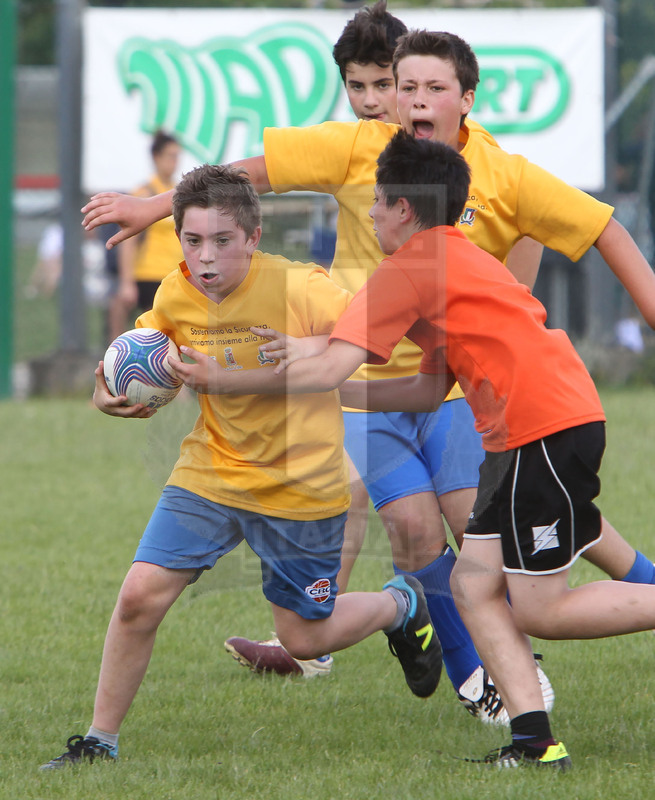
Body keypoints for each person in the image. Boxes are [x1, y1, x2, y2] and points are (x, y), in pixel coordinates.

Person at [79, 28, 655, 724]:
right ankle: (494, 690)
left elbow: (577, 232)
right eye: (388, 85)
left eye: (416, 86)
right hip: (395, 388)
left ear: (464, 100)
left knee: (519, 541)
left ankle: (503, 659)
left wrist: (264, 374)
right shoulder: (362, 155)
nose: (396, 100)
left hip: (474, 396)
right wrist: (152, 210)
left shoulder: (494, 181)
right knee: (430, 537)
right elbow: (250, 175)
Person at [170, 131, 655, 771]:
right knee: (475, 587)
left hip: (542, 427)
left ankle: (535, 737)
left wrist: (231, 382)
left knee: (540, 608)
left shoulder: (408, 268)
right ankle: (536, 743)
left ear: (403, 209)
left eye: (375, 203)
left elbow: (329, 368)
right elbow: (426, 389)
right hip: (533, 431)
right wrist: (324, 382)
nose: (368, 215)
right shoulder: (451, 258)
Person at [40, 164, 442, 770]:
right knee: (139, 599)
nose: (205, 258)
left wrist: (312, 346)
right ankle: (99, 742)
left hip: (299, 485)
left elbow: (378, 321)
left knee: (307, 638)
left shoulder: (299, 288)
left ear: (253, 238)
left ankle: (400, 605)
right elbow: (139, 355)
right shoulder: (176, 292)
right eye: (192, 241)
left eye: (222, 242)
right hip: (212, 471)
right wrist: (107, 391)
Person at [108, 130, 183, 342]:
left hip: (171, 276)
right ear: (156, 157)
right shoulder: (143, 194)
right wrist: (126, 282)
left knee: (165, 340)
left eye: (178, 156)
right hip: (146, 274)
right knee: (134, 330)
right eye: (171, 156)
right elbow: (128, 241)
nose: (175, 162)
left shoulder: (180, 192)